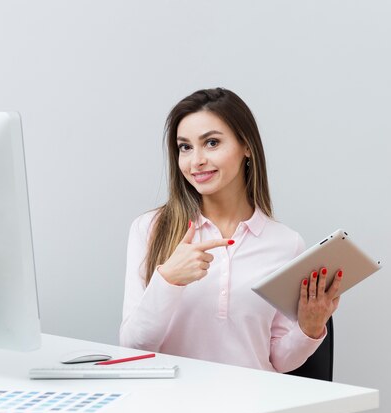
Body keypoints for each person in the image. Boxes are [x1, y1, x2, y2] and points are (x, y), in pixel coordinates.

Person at [119, 88, 342, 372]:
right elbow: (132, 347)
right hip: (174, 404)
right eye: (185, 147)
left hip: (254, 405)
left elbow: (280, 361)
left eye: (211, 143)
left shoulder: (286, 243)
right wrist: (168, 280)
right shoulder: (149, 229)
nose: (195, 160)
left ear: (246, 146)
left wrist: (309, 328)